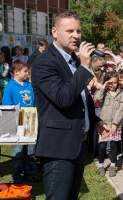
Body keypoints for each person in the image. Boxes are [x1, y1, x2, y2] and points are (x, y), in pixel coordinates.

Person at [31, 11, 109, 199]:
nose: (76, 35)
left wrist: (94, 119)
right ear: (55, 32)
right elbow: (63, 98)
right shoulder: (44, 62)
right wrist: (84, 67)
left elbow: (81, 97)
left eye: (79, 31)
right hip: (58, 148)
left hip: (78, 145)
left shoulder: (73, 60)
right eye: (70, 31)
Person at [2, 60, 39, 183]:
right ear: (16, 72)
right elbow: (7, 108)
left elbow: (35, 103)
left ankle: (30, 172)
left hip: (30, 121)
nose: (28, 73)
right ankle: (17, 175)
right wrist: (10, 127)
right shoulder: (10, 87)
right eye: (25, 71)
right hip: (17, 123)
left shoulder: (30, 85)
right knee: (18, 150)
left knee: (30, 149)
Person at [94, 71, 123, 177]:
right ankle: (101, 166)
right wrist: (103, 86)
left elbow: (121, 110)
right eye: (110, 83)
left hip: (115, 125)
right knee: (102, 146)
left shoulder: (121, 94)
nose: (112, 85)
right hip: (104, 125)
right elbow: (96, 99)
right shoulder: (104, 92)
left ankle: (112, 165)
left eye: (115, 83)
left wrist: (115, 124)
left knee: (113, 146)